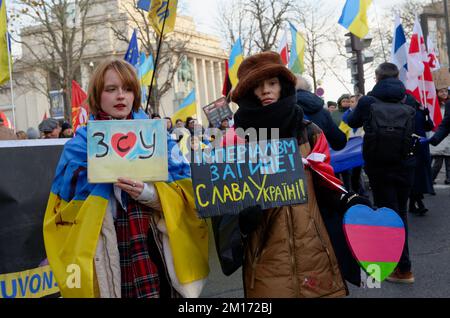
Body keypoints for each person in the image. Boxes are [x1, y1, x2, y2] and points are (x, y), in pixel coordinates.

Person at [43, 58, 209, 298]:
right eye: (111, 89)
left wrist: (148, 193)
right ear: (98, 95)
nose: (121, 96)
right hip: (105, 251)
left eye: (128, 89)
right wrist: (101, 183)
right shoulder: (78, 146)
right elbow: (64, 210)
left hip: (153, 248)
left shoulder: (159, 139)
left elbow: (187, 196)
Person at [215, 51, 371, 298]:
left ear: (283, 86)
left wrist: (346, 199)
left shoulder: (310, 132)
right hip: (265, 258)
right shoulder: (234, 140)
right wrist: (241, 218)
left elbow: (325, 182)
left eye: (272, 83)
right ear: (247, 93)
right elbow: (223, 201)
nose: (266, 90)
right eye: (257, 86)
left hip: (315, 251)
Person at [347, 62, 416, 283]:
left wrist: (356, 107)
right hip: (404, 164)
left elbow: (351, 121)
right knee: (401, 213)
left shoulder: (368, 101)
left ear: (377, 78)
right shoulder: (408, 99)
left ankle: (402, 268)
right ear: (397, 76)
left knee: (388, 214)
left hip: (378, 166)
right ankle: (402, 266)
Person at [296, 75, 346, 150]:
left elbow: (275, 145)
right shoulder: (323, 112)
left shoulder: (279, 110)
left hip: (289, 159)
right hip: (317, 159)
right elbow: (339, 142)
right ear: (308, 89)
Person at [430, 84, 450, 184]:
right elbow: (444, 124)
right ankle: (430, 179)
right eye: (441, 91)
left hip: (447, 138)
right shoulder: (435, 105)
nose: (444, 93)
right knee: (438, 161)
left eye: (446, 91)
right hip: (439, 136)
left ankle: (448, 178)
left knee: (448, 161)